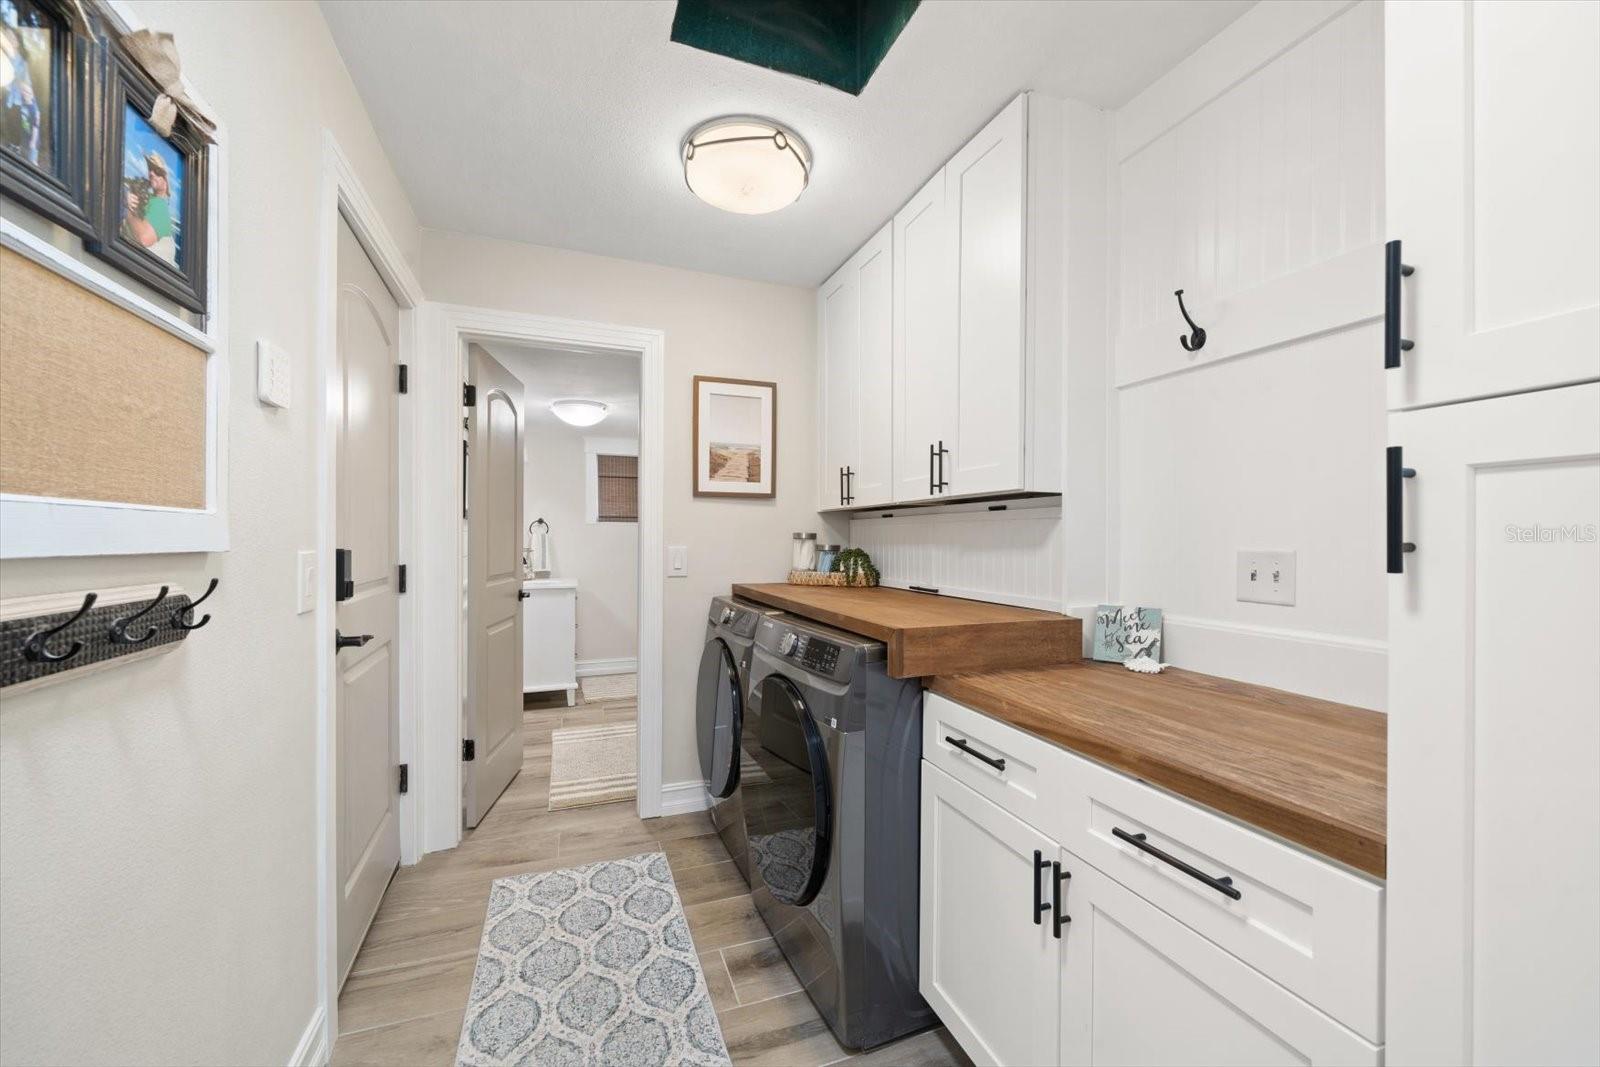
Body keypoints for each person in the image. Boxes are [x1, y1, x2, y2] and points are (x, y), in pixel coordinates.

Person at [139, 150, 179, 265]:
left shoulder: (160, 206)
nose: (151, 173)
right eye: (150, 169)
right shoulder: (150, 200)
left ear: (165, 181)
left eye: (157, 171)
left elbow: (144, 239)